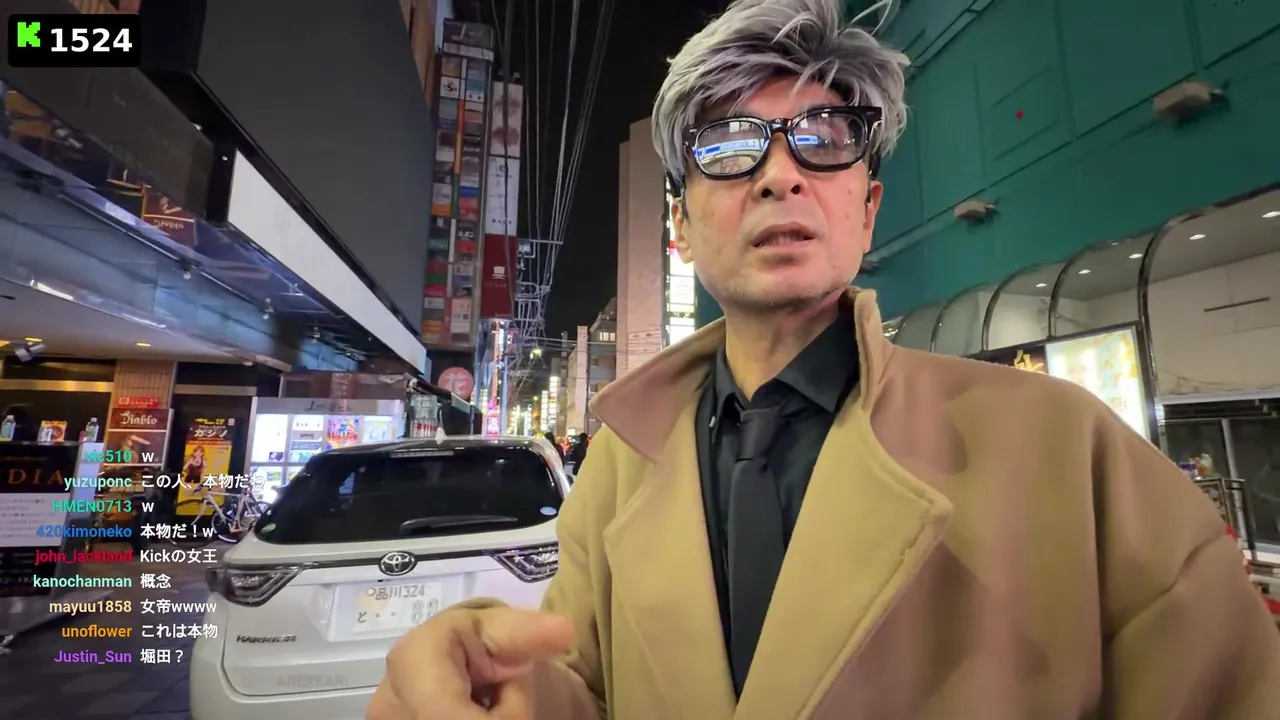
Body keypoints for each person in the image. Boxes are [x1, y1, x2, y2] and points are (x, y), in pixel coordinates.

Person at [368, 0, 1280, 717]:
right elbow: (584, 685)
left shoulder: (1065, 446)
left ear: (867, 209)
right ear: (679, 226)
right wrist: (495, 688)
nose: (779, 174)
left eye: (823, 139)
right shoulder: (620, 467)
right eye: (730, 147)